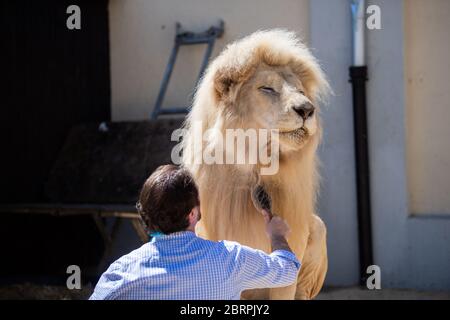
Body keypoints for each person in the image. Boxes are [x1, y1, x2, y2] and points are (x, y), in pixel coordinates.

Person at [89, 164, 300, 300]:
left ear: (146, 217)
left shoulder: (122, 273)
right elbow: (288, 270)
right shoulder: (230, 259)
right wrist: (276, 235)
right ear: (192, 214)